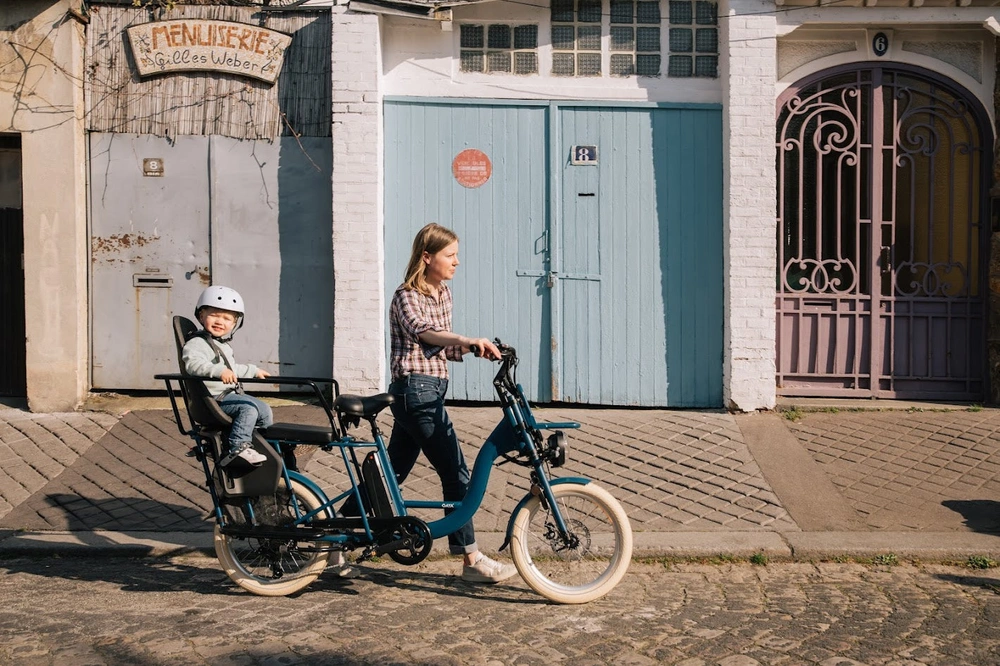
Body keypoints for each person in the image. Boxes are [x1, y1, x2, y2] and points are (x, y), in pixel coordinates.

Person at [386, 222, 516, 584]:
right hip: (415, 392)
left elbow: (440, 346)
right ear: (427, 257)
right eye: (450, 255)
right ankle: (471, 559)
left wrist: (474, 349)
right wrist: (464, 338)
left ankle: (335, 538)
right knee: (456, 472)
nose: (457, 262)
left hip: (429, 391)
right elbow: (424, 332)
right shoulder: (406, 295)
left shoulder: (443, 293)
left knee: (391, 474)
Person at [182, 285, 272, 468]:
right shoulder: (197, 343)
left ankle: (255, 442)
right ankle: (238, 447)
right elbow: (193, 365)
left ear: (234, 324)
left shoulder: (221, 345)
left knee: (264, 410)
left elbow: (232, 369)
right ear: (201, 316)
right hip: (212, 400)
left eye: (227, 319)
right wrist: (218, 371)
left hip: (227, 396)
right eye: (214, 315)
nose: (220, 321)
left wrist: (253, 371)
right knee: (248, 409)